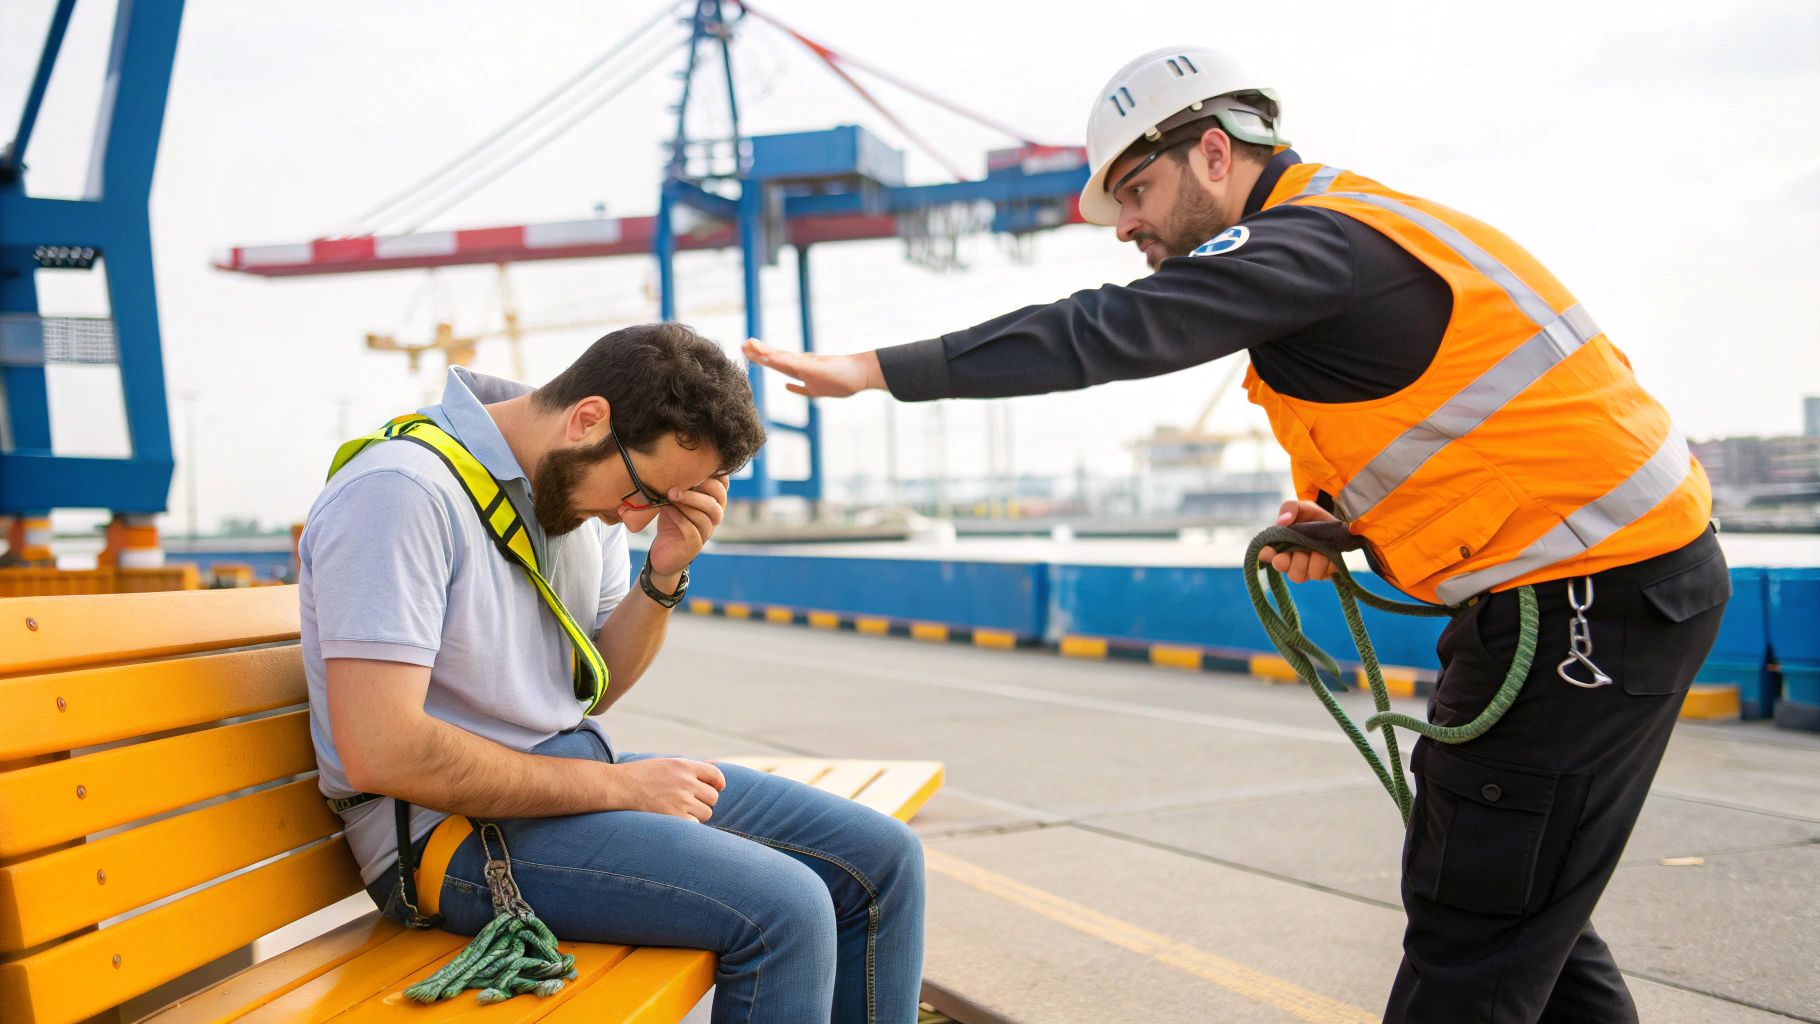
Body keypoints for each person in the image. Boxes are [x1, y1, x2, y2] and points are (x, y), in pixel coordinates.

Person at [743, 46, 1730, 1024]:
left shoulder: (1310, 245)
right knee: (1510, 909)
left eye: (1134, 189)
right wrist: (1353, 527)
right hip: (1588, 594)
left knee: (1475, 933)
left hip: (1585, 606)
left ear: (1214, 153)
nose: (1123, 224)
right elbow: (1489, 439)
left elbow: (1101, 331)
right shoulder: (1350, 233)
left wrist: (872, 367)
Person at [300, 323, 926, 1024]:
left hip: (566, 789)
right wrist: (619, 785)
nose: (634, 522)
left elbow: (591, 686)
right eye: (644, 493)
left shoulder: (581, 483)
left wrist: (664, 576)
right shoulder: (400, 493)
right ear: (588, 418)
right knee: (785, 907)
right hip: (451, 838)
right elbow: (381, 749)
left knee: (884, 860)